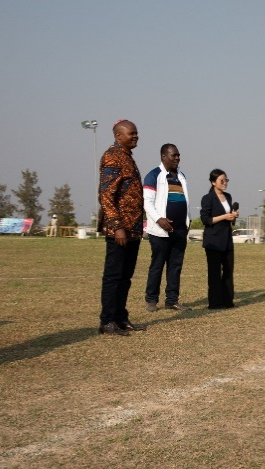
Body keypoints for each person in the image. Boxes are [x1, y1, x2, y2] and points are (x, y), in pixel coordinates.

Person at [97, 120, 146, 336]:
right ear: (118, 136)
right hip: (120, 230)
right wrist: (117, 226)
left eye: (136, 133)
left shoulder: (127, 157)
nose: (135, 136)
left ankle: (120, 318)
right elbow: (106, 195)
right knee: (114, 276)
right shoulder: (112, 156)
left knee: (125, 277)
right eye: (131, 133)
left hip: (132, 229)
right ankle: (107, 321)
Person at [143, 144, 192, 312]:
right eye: (174, 155)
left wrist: (187, 221)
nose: (177, 158)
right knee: (157, 265)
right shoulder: (154, 175)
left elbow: (185, 201)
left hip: (179, 230)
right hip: (160, 230)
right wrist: (159, 219)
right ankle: (151, 300)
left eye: (178, 155)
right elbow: (147, 202)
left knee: (175, 266)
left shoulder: (181, 176)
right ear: (164, 156)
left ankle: (172, 300)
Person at [200, 169, 237, 309]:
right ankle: (215, 303)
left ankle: (228, 301)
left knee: (228, 271)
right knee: (214, 273)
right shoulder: (207, 198)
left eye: (226, 180)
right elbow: (206, 219)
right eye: (222, 180)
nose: (225, 183)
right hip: (213, 241)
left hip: (227, 239)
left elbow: (229, 218)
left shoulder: (228, 196)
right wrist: (224, 216)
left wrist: (233, 216)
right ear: (213, 182)